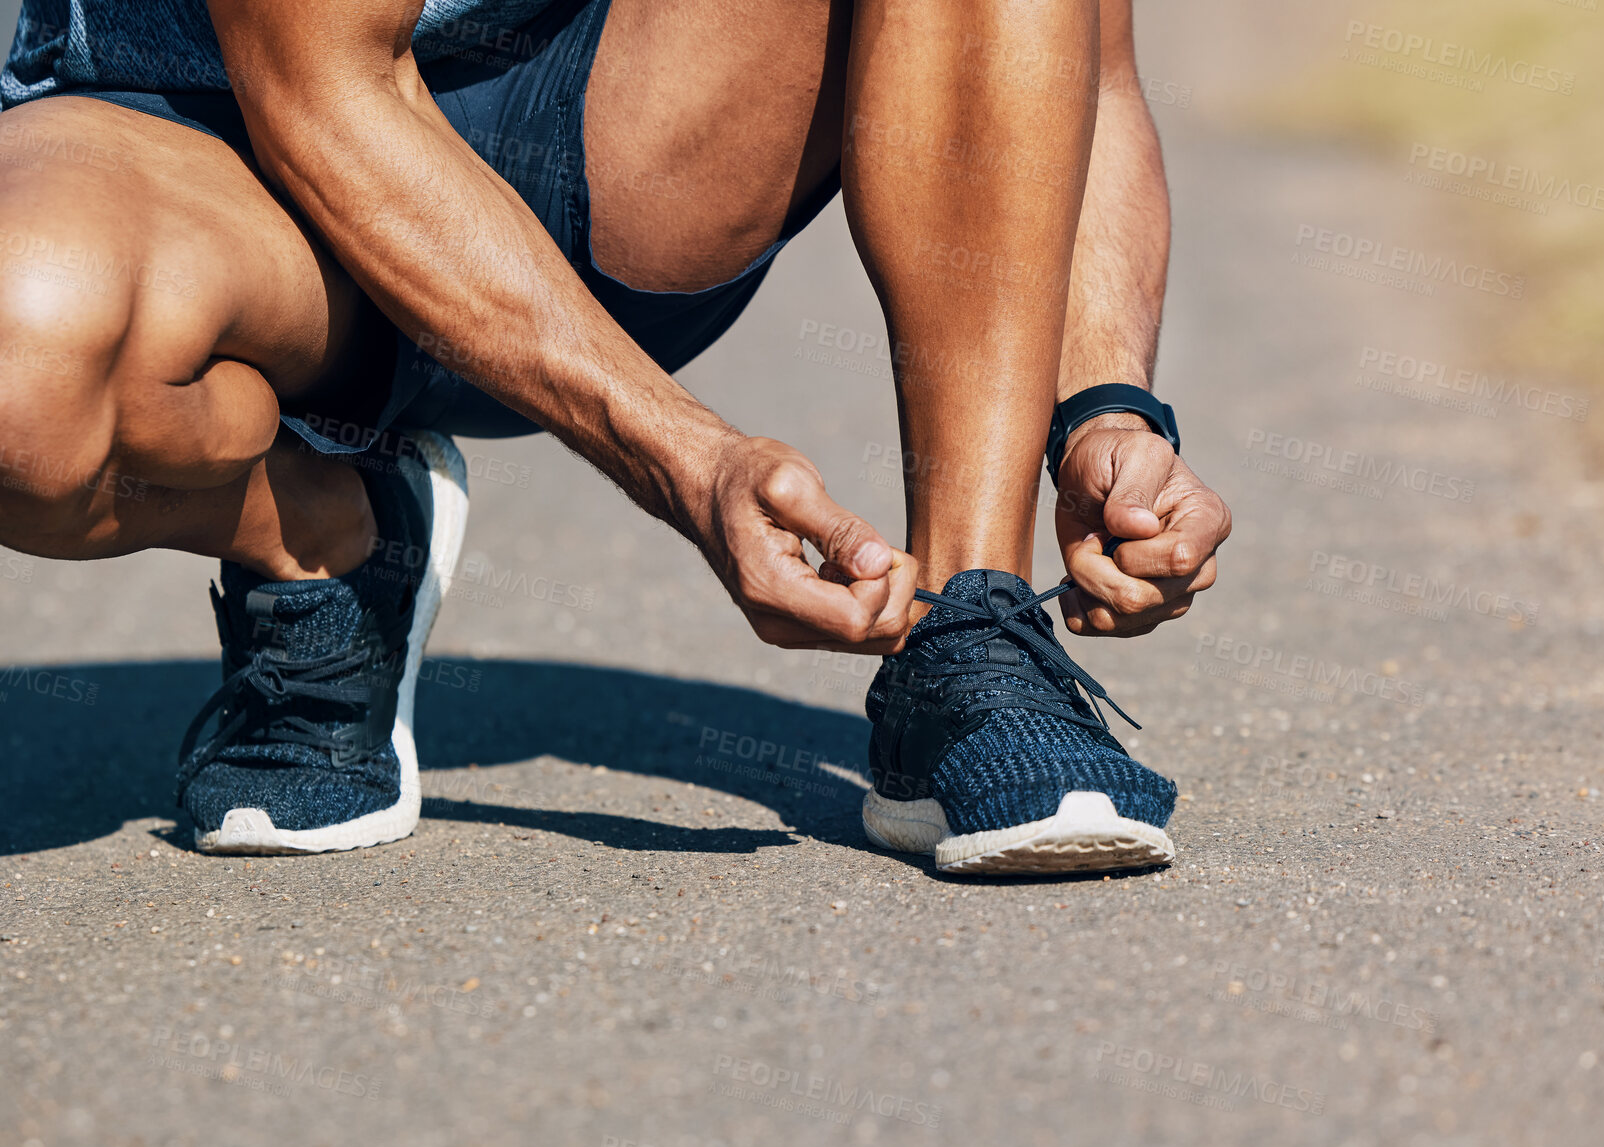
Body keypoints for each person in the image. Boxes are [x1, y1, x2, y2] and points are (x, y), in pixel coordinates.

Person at [0, 0, 1230, 874]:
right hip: (225, 142)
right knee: (19, 373)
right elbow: (326, 93)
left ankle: (972, 628)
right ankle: (318, 531)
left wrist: (1104, 406)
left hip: (618, 130)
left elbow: (1087, 67)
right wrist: (690, 463)